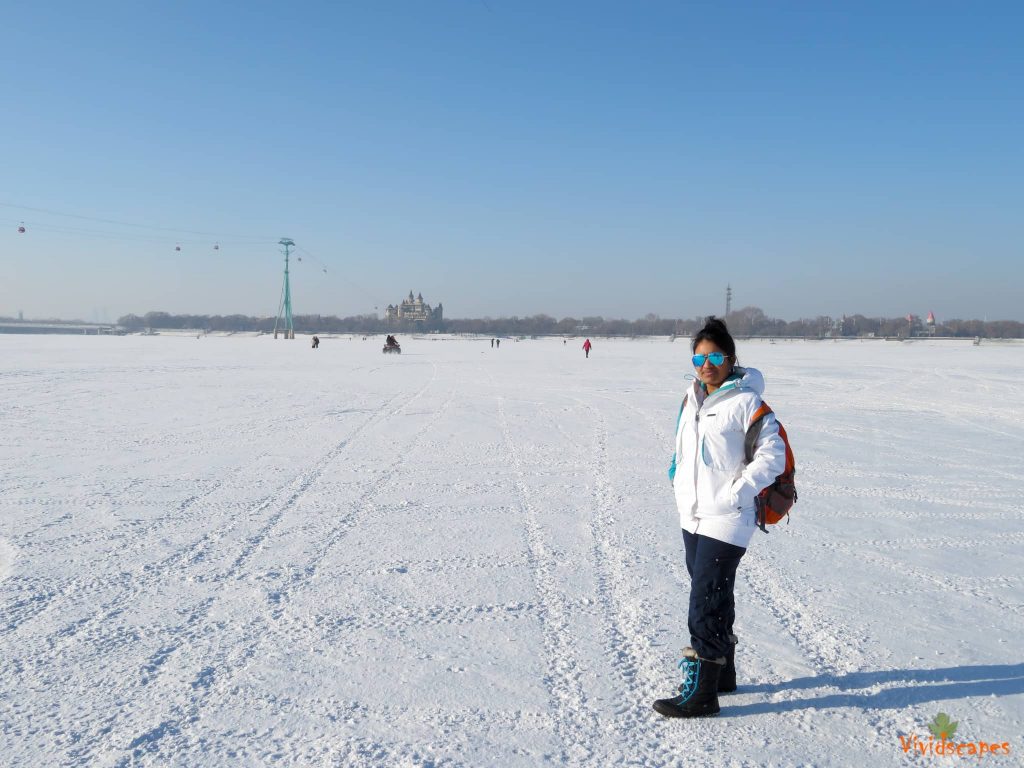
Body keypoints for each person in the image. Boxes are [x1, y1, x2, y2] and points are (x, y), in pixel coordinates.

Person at [653, 317, 787, 718]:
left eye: (714, 356)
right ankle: (723, 671)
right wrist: (676, 474)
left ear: (730, 359)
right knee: (712, 591)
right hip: (693, 514)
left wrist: (739, 492)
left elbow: (773, 455)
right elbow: (682, 448)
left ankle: (703, 693)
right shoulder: (690, 398)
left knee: (703, 603)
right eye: (699, 356)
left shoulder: (747, 403)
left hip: (727, 517)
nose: (706, 364)